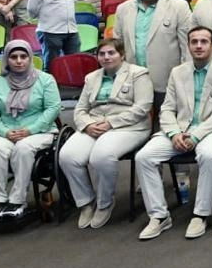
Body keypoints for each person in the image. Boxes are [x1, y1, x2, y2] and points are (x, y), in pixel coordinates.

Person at [134, 26, 212, 241]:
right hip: (180, 130)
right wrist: (174, 133)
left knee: (208, 155)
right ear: (188, 45)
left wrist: (196, 136)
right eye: (194, 42)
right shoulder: (177, 72)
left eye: (204, 41)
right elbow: (167, 108)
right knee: (144, 157)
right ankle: (159, 216)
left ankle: (200, 214)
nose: (198, 46)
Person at [59, 38, 153, 229]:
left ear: (122, 55)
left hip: (129, 126)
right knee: (67, 156)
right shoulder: (91, 78)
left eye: (111, 53)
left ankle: (105, 203)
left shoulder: (138, 73)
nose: (106, 57)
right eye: (101, 54)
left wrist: (110, 123)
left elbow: (142, 108)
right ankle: (86, 202)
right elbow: (80, 109)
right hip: (94, 125)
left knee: (101, 156)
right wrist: (87, 126)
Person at [0, 39, 61, 219]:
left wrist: (30, 130)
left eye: (23, 56)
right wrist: (4, 131)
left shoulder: (45, 79)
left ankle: (18, 200)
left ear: (30, 58)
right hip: (5, 130)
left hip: (39, 130)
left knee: (23, 148)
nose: (19, 61)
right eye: (14, 57)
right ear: (6, 59)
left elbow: (53, 108)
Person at [114, 0, 192, 110]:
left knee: (165, 120)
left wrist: (184, 79)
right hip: (133, 81)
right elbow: (117, 46)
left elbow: (187, 47)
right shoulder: (123, 9)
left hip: (167, 82)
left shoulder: (179, 6)